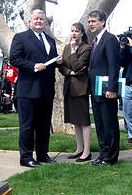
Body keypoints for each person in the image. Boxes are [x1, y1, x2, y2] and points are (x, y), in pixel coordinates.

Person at [10, 9, 62, 168]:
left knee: (44, 124)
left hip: (46, 90)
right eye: (36, 19)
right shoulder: (21, 37)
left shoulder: (50, 40)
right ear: (29, 21)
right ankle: (26, 157)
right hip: (28, 90)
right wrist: (33, 66)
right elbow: (14, 58)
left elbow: (49, 62)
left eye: (41, 19)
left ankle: (42, 154)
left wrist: (58, 62)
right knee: (27, 125)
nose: (39, 21)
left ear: (45, 21)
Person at [88, 10, 120, 166]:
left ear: (102, 22)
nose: (91, 24)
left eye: (93, 21)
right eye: (89, 21)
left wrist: (113, 89)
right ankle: (103, 154)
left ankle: (111, 157)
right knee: (100, 125)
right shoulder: (95, 41)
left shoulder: (110, 39)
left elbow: (113, 65)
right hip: (96, 91)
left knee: (109, 125)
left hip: (107, 91)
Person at [59, 22, 92, 162]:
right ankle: (79, 149)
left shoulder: (87, 48)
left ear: (82, 33)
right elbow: (61, 66)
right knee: (75, 121)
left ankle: (87, 151)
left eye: (77, 31)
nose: (74, 33)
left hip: (81, 88)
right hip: (69, 88)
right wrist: (70, 72)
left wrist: (73, 52)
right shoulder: (66, 47)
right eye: (72, 31)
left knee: (83, 121)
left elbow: (79, 67)